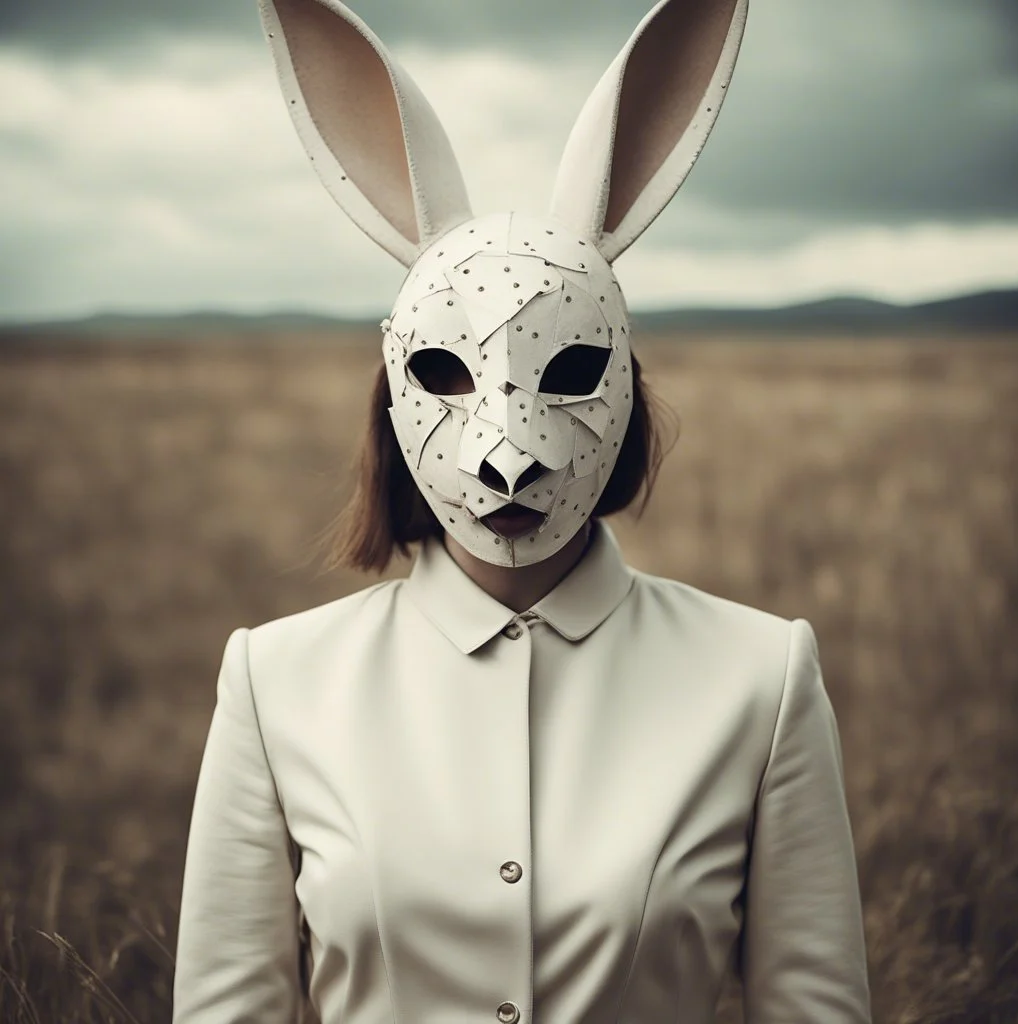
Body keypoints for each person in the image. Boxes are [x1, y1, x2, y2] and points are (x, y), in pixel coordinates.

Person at [173, 0, 872, 1020]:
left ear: (624, 388)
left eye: (570, 373)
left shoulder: (757, 680)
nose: (505, 457)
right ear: (393, 394)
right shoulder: (277, 685)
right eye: (448, 376)